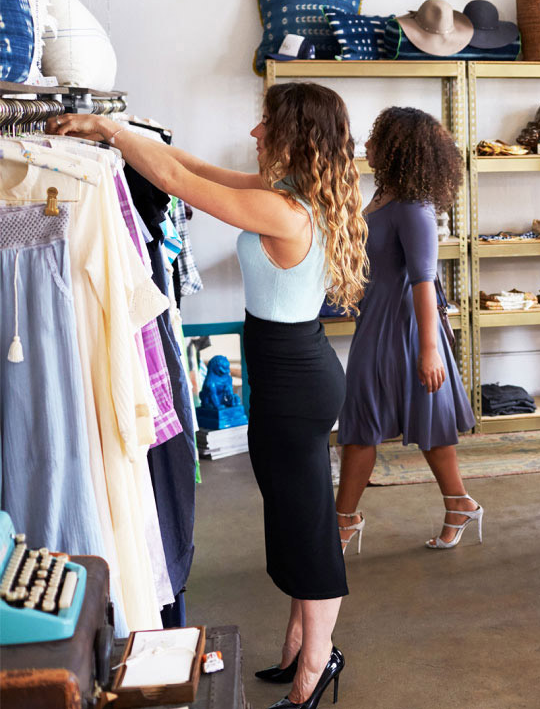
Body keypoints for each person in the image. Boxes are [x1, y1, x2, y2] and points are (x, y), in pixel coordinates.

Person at [49, 82, 369, 708]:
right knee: (295, 517)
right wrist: (127, 138)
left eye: (264, 125)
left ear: (294, 135)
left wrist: (107, 129)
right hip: (290, 375)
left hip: (295, 384)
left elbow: (174, 178)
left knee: (305, 525)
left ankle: (317, 668)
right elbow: (189, 166)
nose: (254, 135)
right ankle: (302, 647)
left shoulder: (288, 212)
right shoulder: (293, 198)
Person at [334, 107, 479, 553]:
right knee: (363, 419)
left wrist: (430, 351)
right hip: (377, 322)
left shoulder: (414, 208)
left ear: (398, 148)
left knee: (415, 421)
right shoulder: (383, 198)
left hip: (409, 329)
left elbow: (423, 280)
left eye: (377, 138)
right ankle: (457, 504)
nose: (367, 145)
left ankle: (342, 521)